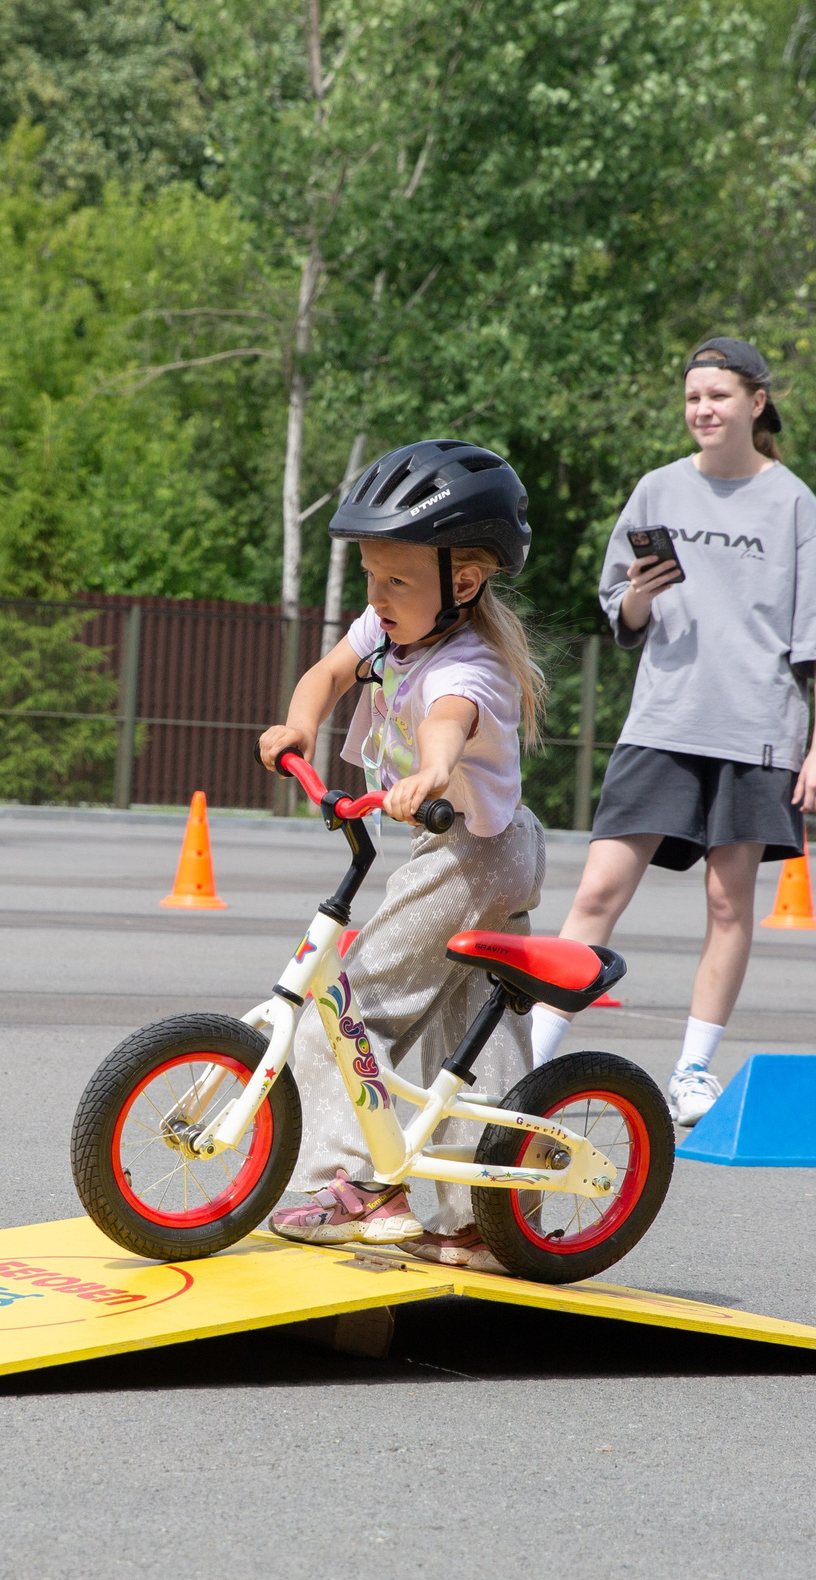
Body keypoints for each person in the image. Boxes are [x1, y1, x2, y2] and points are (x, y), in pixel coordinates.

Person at [529, 337, 816, 1128]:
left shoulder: (792, 503)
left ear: (757, 403)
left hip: (756, 734)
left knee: (728, 902)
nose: (702, 409)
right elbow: (622, 615)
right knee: (600, 889)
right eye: (692, 397)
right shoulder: (657, 489)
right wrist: (637, 593)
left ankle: (694, 1070)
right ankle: (529, 1055)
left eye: (717, 395)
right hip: (664, 722)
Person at [255, 440, 548, 1273]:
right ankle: (486, 1220)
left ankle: (355, 1186)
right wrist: (299, 723)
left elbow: (445, 722)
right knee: (470, 1039)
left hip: (472, 852)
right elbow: (329, 672)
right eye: (371, 577)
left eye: (397, 581)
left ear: (464, 580)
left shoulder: (471, 665)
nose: (377, 598)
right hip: (482, 848)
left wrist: (430, 772)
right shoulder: (389, 626)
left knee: (347, 1003)